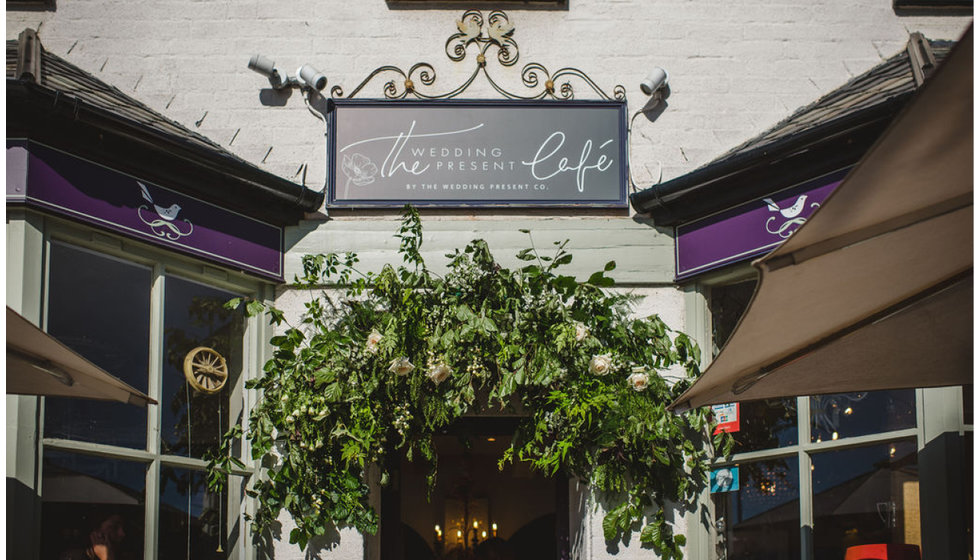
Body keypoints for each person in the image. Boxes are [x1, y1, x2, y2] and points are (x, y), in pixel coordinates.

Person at [59, 514, 126, 560]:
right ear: (95, 531)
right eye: (113, 527)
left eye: (123, 528)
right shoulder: (73, 556)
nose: (122, 534)